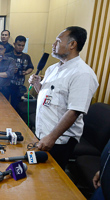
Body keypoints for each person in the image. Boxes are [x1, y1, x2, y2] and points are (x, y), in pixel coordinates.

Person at [29, 26, 99, 170]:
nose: (53, 45)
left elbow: (74, 111)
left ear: (72, 44)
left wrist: (52, 137)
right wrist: (37, 84)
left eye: (58, 41)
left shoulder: (82, 73)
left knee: (52, 178)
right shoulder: (52, 69)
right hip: (43, 132)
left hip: (60, 140)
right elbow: (46, 97)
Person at [6, 35, 34, 112]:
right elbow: (2, 68)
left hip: (19, 86)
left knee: (16, 107)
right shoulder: (8, 55)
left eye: (23, 46)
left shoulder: (26, 57)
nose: (20, 47)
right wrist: (10, 71)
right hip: (7, 85)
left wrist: (27, 72)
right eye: (19, 45)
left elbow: (31, 67)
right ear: (14, 44)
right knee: (4, 105)